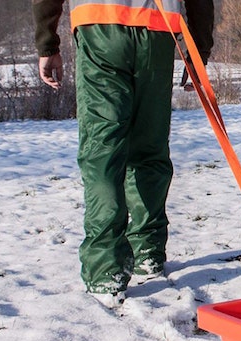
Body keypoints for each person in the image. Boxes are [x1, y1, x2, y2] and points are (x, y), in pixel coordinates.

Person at [32, 0, 214, 308]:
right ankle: (147, 253)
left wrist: (47, 43)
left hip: (98, 25)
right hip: (157, 29)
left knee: (102, 151)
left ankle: (106, 271)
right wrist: (198, 48)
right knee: (149, 147)